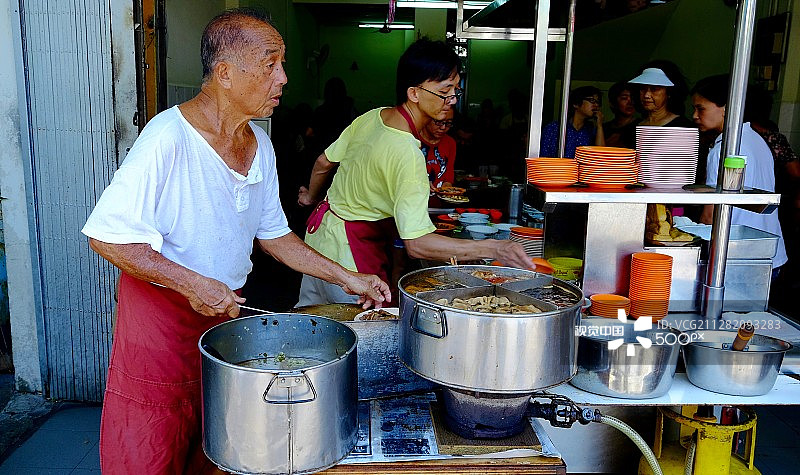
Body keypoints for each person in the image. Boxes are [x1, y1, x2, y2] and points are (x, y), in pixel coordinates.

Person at [81, 10, 390, 474]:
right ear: (225, 73)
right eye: (270, 64)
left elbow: (275, 237)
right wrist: (191, 283)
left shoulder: (259, 145)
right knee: (151, 440)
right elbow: (107, 237)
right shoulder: (168, 138)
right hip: (160, 322)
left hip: (221, 319)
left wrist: (347, 277)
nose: (283, 78)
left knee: (217, 440)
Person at [296, 38, 533, 306]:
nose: (453, 99)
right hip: (350, 257)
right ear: (414, 93)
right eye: (445, 91)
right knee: (361, 337)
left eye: (456, 89)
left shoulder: (372, 117)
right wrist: (495, 247)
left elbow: (323, 163)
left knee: (311, 329)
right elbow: (417, 243)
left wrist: (310, 198)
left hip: (317, 243)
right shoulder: (408, 153)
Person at [692, 74, 788, 272]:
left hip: (737, 256)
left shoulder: (725, 148)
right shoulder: (756, 140)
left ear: (727, 108)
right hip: (768, 252)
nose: (694, 115)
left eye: (700, 108)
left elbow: (711, 213)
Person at [540, 85, 605, 158]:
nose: (596, 105)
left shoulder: (592, 129)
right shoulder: (554, 128)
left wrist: (599, 125)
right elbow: (543, 155)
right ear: (576, 104)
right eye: (592, 101)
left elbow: (600, 155)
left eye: (598, 102)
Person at [629, 61, 693, 128]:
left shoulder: (684, 127)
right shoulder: (632, 128)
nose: (646, 95)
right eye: (643, 88)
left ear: (669, 92)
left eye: (654, 89)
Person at [420, 108, 457, 190]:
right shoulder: (413, 140)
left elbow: (449, 173)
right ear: (427, 119)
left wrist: (446, 187)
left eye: (448, 123)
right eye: (439, 122)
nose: (443, 127)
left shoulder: (450, 143)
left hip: (438, 201)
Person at [603, 81, 639, 148]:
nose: (630, 102)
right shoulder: (604, 128)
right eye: (624, 98)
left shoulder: (641, 126)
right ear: (612, 102)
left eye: (633, 98)